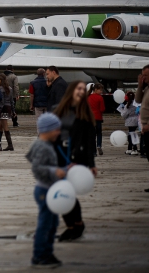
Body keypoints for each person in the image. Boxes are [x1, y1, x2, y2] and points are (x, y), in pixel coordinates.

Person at [54, 81, 98, 242]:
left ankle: (76, 224)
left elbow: (88, 143)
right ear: (72, 91)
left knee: (69, 193)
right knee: (61, 194)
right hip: (61, 158)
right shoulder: (59, 112)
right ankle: (72, 226)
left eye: (83, 89)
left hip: (78, 160)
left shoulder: (85, 115)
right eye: (78, 88)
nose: (81, 91)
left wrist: (91, 164)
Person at [26, 113, 66, 268]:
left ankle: (47, 252)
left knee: (52, 222)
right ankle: (40, 254)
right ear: (46, 130)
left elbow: (32, 158)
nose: (58, 132)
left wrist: (63, 169)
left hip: (48, 189)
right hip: (44, 190)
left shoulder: (42, 144)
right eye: (55, 129)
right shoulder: (42, 146)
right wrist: (54, 172)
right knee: (45, 224)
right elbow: (37, 168)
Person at [135, 65, 149, 192]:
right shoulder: (147, 88)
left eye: (145, 75)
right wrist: (140, 86)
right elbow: (137, 99)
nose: (143, 78)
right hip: (146, 127)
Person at [87, 83, 106, 156]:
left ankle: (93, 152)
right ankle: (99, 145)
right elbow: (102, 109)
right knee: (99, 133)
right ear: (95, 90)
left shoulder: (88, 97)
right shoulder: (100, 98)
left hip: (90, 118)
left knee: (92, 135)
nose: (101, 91)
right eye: (100, 90)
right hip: (98, 118)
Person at [0, 73, 14, 151]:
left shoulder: (0, 89)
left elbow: (2, 101)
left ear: (0, 80)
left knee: (4, 126)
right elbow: (12, 101)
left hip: (3, 108)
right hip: (8, 108)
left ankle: (10, 145)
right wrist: (13, 110)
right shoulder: (10, 88)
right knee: (0, 126)